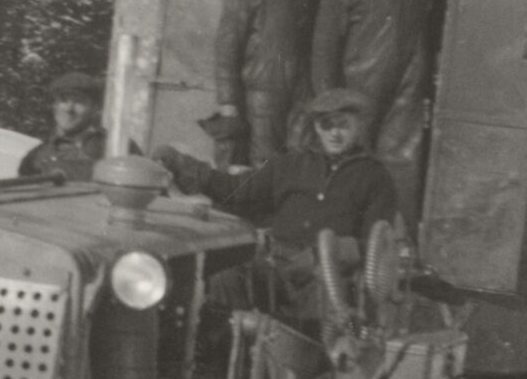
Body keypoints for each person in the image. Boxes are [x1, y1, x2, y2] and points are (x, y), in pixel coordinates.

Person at [153, 87, 403, 320]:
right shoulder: (290, 163)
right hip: (277, 264)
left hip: (327, 276)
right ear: (317, 127)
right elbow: (237, 190)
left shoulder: (374, 176)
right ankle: (225, 358)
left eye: (343, 126)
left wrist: (324, 254)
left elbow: (376, 245)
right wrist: (183, 165)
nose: (335, 133)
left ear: (357, 126)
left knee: (339, 315)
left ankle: (339, 358)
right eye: (327, 125)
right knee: (224, 281)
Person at [309, 0, 450, 215]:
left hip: (407, 86)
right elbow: (325, 43)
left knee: (403, 160)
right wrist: (328, 97)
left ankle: (397, 238)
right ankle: (342, 232)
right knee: (352, 159)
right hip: (358, 88)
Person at [212, 0, 317, 167]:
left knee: (300, 155)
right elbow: (226, 49)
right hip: (262, 92)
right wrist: (228, 102)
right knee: (265, 160)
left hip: (299, 88)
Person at [19, 72, 107, 181]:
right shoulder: (36, 157)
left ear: (95, 108)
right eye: (63, 101)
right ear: (55, 106)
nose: (69, 109)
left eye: (79, 102)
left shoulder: (110, 148)